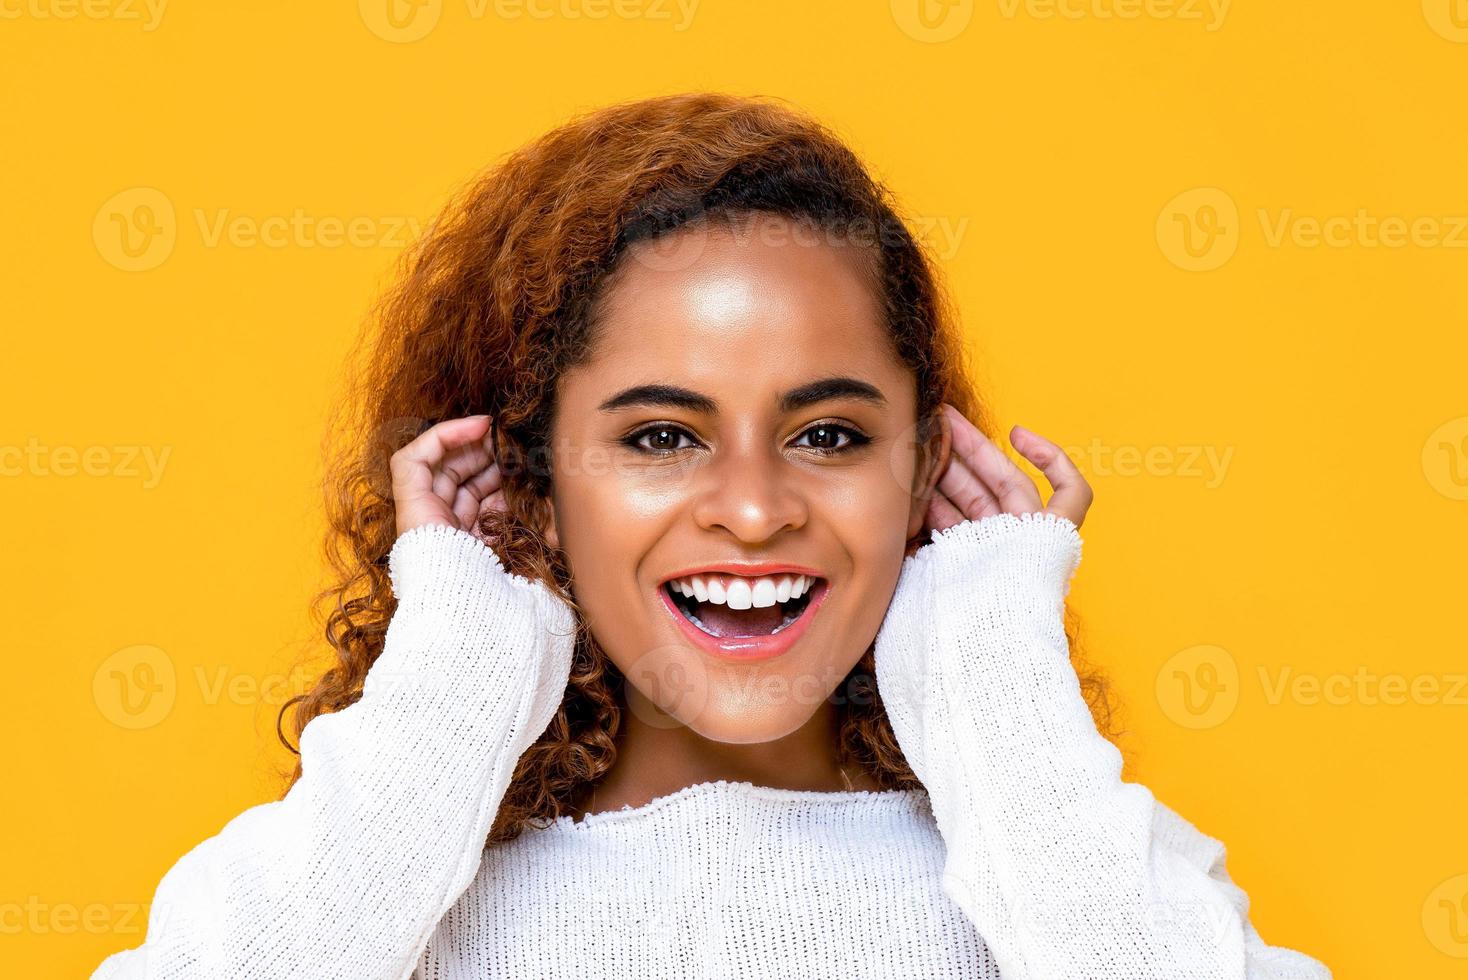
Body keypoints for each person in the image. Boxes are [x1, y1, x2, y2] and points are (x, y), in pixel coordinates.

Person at [93, 92, 1332, 979]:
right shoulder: (368, 889)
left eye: (831, 435)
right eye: (661, 437)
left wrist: (990, 679)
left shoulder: (1066, 872)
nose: (752, 510)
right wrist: (458, 672)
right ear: (531, 482)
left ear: (924, 479)